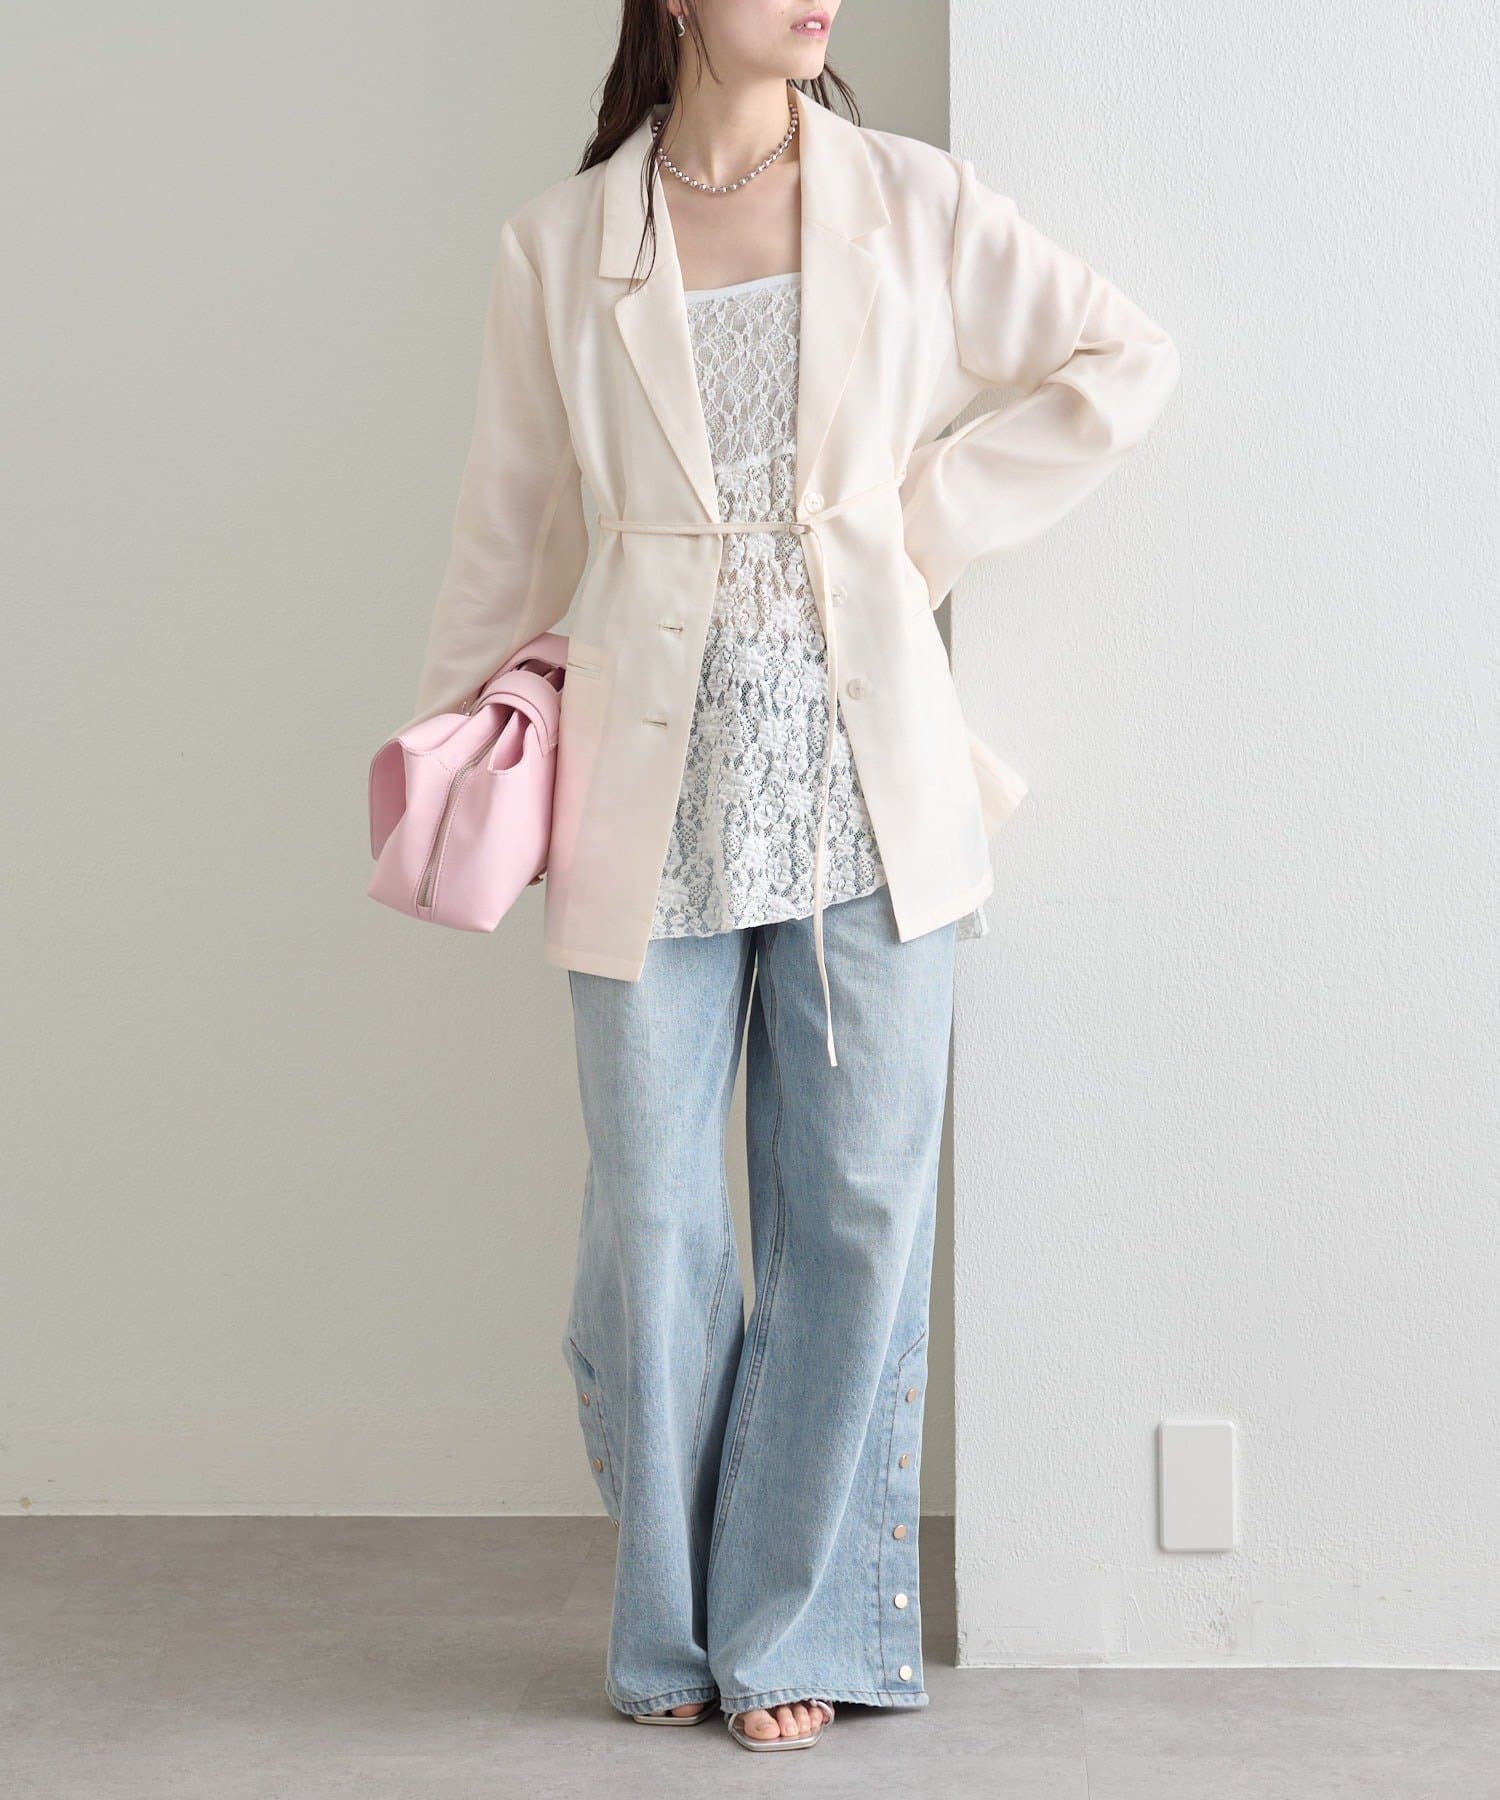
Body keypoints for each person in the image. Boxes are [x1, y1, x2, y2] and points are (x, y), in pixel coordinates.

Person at [399, 0, 1179, 1755]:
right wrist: (449, 755)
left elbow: (1120, 358)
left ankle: (796, 1620)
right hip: (645, 781)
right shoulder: (560, 243)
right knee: (656, 1229)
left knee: (855, 1213)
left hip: (865, 784)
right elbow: (509, 523)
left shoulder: (911, 199)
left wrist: (919, 520)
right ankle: (673, 1621)